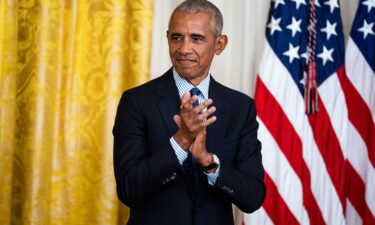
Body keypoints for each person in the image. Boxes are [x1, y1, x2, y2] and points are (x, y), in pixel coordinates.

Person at [113, 1, 265, 224]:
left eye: (197, 38)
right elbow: (129, 190)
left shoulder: (241, 107)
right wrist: (181, 140)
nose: (184, 49)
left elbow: (253, 197)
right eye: (176, 37)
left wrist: (208, 162)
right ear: (167, 39)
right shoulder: (136, 101)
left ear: (219, 44)